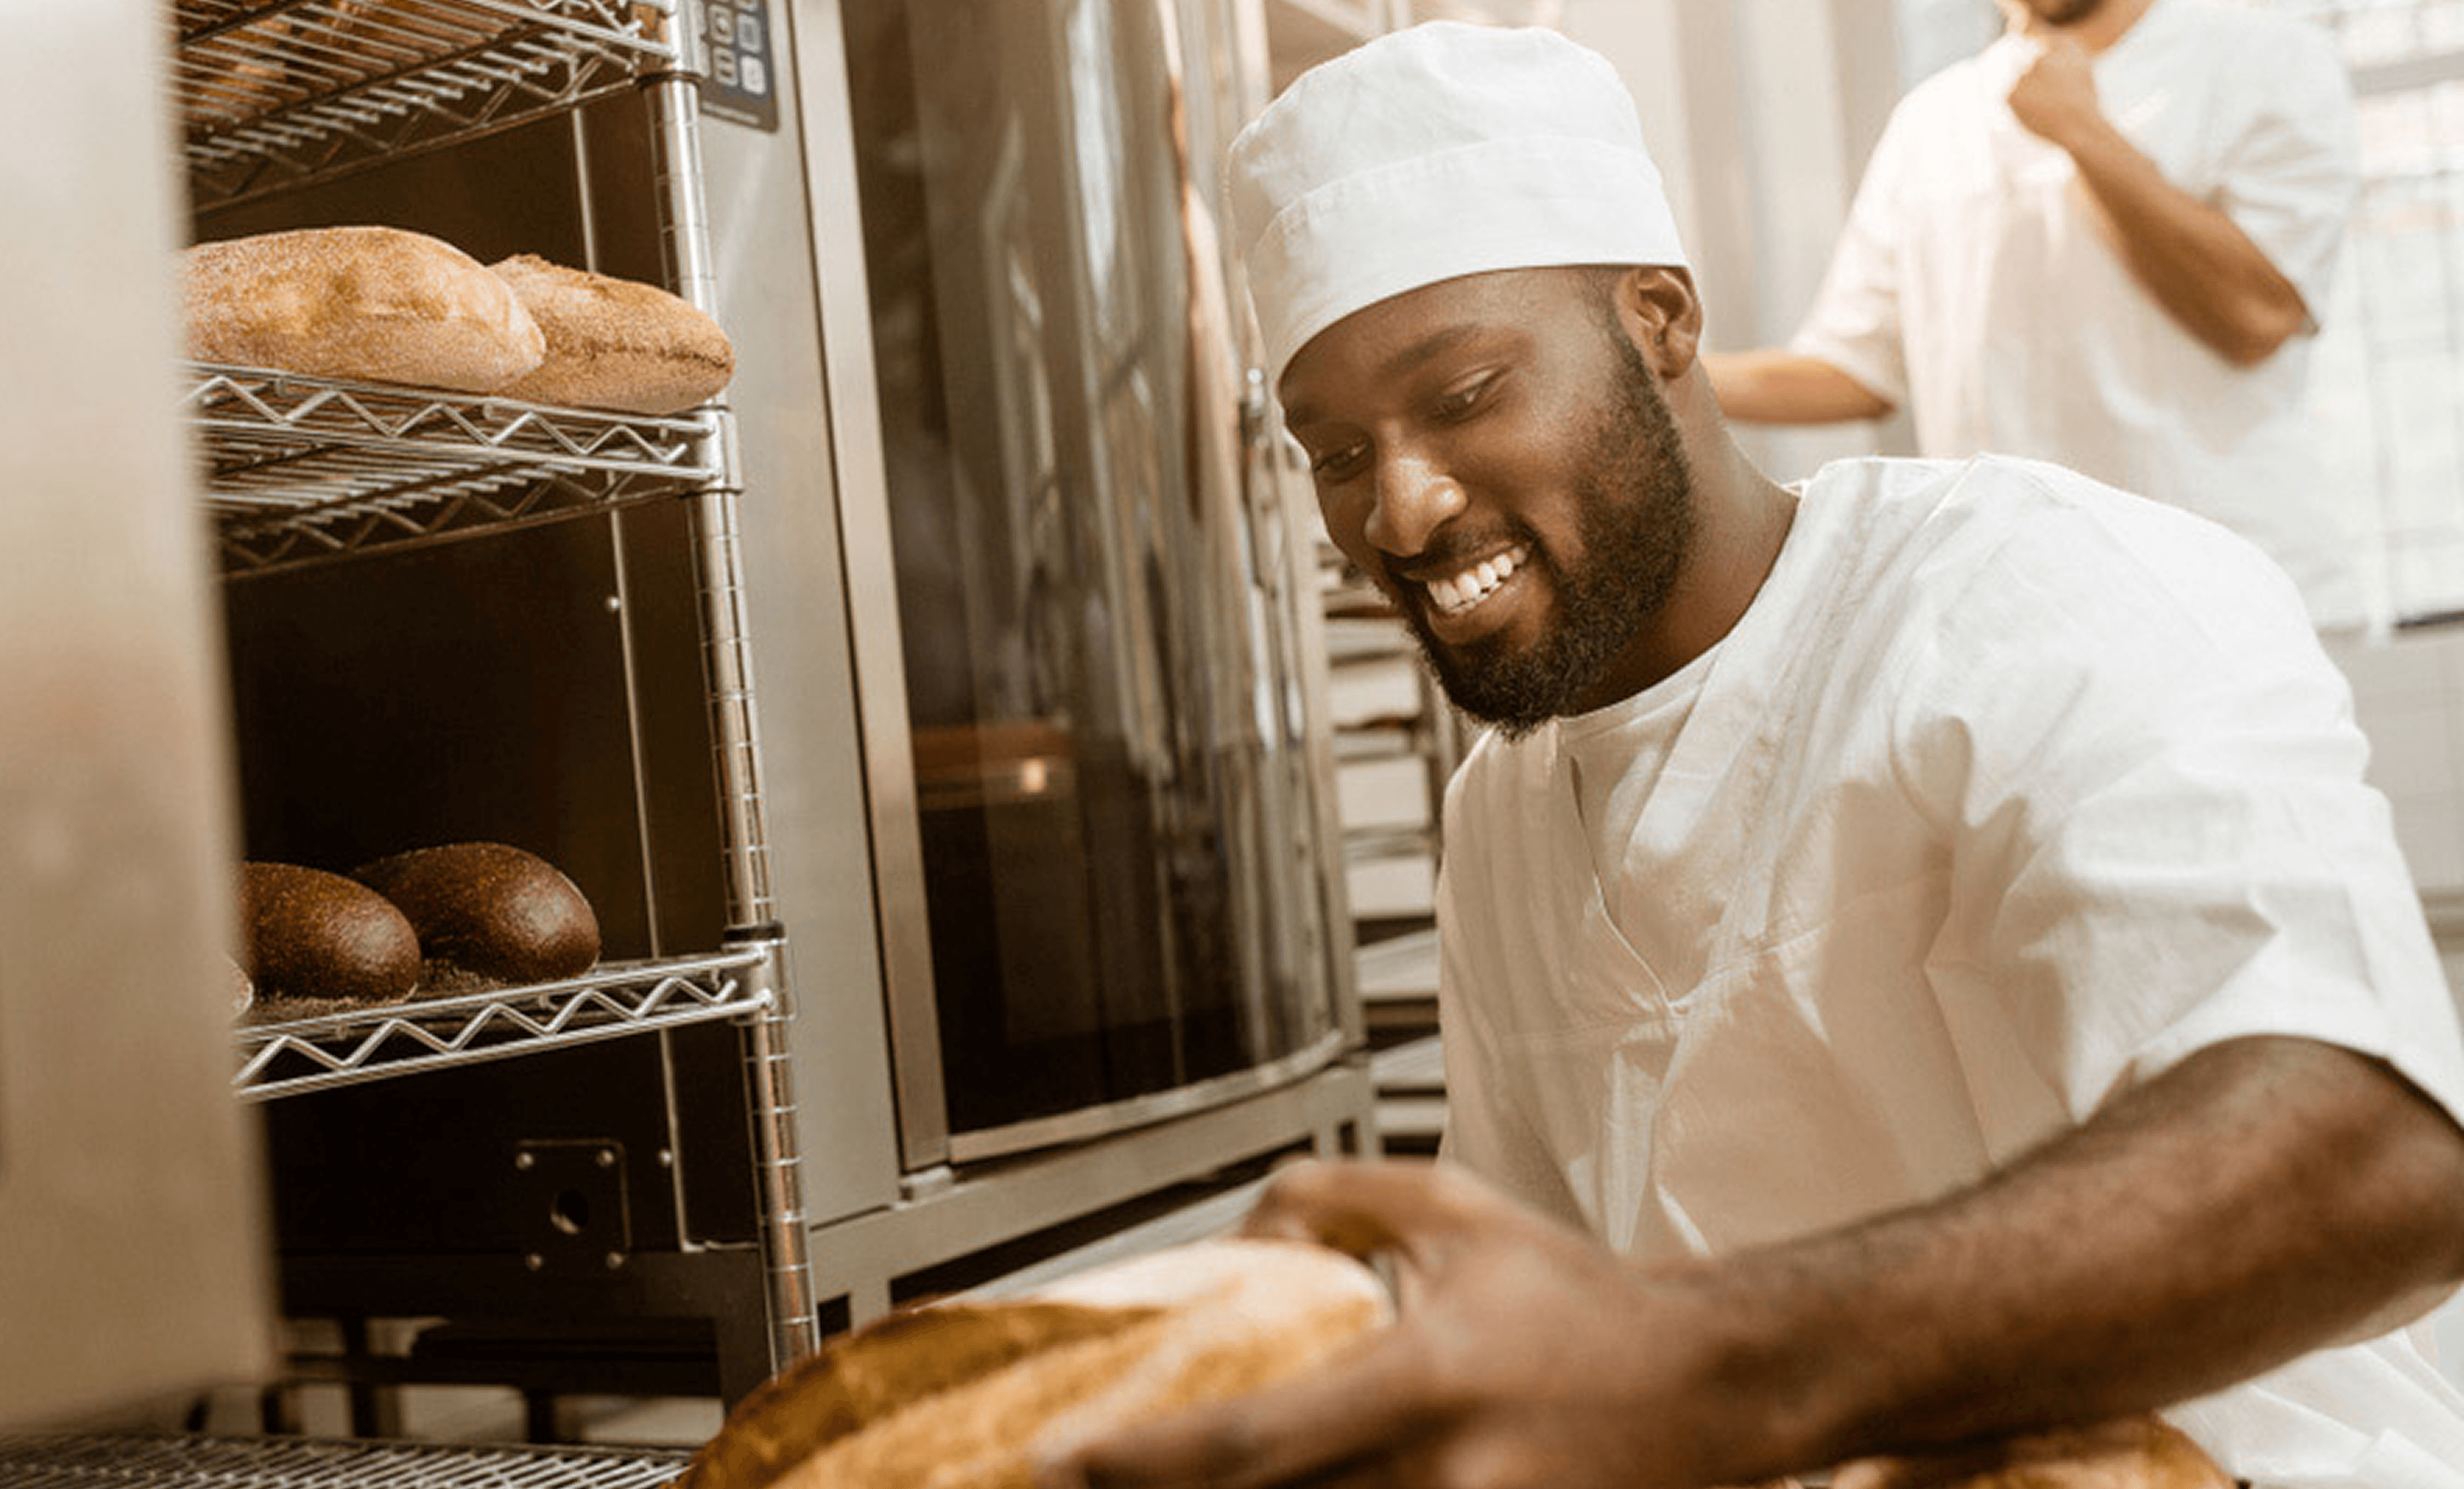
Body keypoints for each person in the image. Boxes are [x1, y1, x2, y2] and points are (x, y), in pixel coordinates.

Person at [1036, 21, 2464, 1489]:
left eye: (1466, 397)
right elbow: (1545, 1339)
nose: (1397, 509)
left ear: (1660, 319)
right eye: (1337, 452)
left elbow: (2372, 1157)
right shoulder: (1506, 817)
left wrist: (1711, 1364)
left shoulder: (2044, 598)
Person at [1705, 0, 2368, 631]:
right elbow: (1856, 369)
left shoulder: (2267, 61)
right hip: (2018, 613)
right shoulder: (1931, 120)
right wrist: (1656, 372)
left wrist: (2081, 130)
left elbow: (2255, 316)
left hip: (2230, 597)